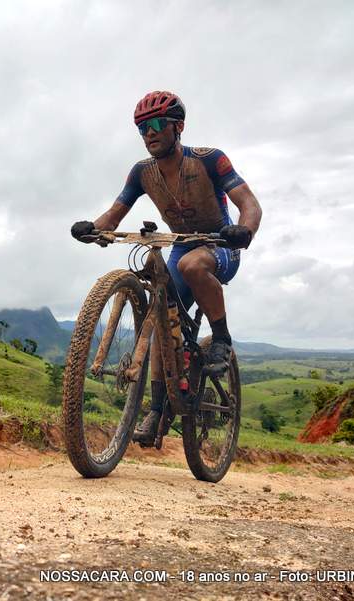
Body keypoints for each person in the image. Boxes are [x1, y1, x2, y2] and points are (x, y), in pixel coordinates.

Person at [70, 90, 262, 445]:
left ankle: (221, 338)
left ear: (179, 127)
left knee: (191, 264)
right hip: (180, 245)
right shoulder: (142, 173)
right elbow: (115, 214)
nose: (150, 133)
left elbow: (249, 203)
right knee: (161, 319)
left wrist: (244, 230)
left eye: (158, 124)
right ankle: (157, 409)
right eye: (142, 128)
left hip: (219, 245)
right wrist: (93, 228)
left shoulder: (210, 160)